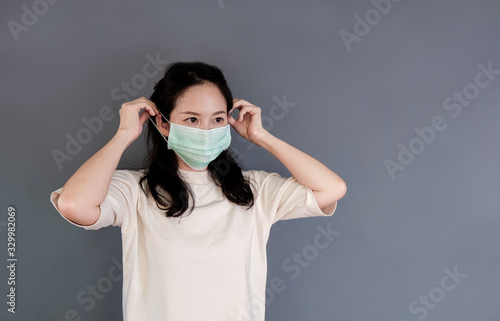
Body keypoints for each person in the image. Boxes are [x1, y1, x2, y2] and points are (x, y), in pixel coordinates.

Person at [50, 61, 346, 320]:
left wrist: (262, 136)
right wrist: (124, 135)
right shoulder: (135, 191)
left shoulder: (253, 190)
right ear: (164, 125)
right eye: (192, 119)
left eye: (217, 119)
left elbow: (331, 188)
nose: (206, 130)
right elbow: (74, 205)